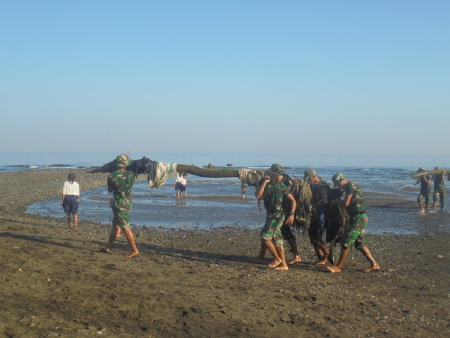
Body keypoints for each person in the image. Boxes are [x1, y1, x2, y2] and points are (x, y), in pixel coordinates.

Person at [327, 172, 379, 273]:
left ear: (343, 180)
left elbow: (346, 203)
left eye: (338, 184)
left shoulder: (350, 186)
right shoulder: (348, 187)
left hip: (358, 218)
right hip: (358, 217)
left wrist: (337, 201)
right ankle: (374, 264)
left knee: (346, 242)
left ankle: (338, 267)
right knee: (359, 243)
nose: (338, 186)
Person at [255, 164, 296, 271]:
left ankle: (277, 259)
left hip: (279, 214)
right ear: (273, 174)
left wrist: (292, 214)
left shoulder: (283, 187)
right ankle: (284, 265)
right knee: (277, 238)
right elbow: (258, 196)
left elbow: (293, 201)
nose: (281, 177)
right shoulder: (267, 185)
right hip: (270, 214)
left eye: (283, 175)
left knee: (265, 236)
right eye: (279, 175)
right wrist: (265, 182)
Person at [101, 154, 139, 258]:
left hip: (119, 202)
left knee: (125, 226)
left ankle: (134, 250)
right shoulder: (131, 174)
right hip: (128, 200)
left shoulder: (112, 176)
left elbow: (109, 190)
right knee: (115, 224)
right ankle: (108, 246)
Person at [304, 168, 332, 265]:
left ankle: (326, 255)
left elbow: (326, 201)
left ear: (314, 177)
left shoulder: (324, 186)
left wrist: (314, 206)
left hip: (324, 213)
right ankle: (320, 257)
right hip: (315, 213)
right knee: (312, 234)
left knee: (316, 234)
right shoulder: (312, 185)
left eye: (309, 179)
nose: (308, 180)